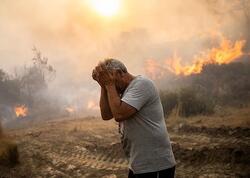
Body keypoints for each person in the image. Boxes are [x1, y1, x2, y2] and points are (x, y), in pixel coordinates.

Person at [92, 58, 176, 178]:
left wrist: (109, 85)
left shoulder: (142, 84)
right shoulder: (124, 90)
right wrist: (103, 85)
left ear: (120, 73)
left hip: (156, 164)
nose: (113, 87)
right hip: (139, 163)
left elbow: (119, 114)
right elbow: (106, 115)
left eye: (111, 80)